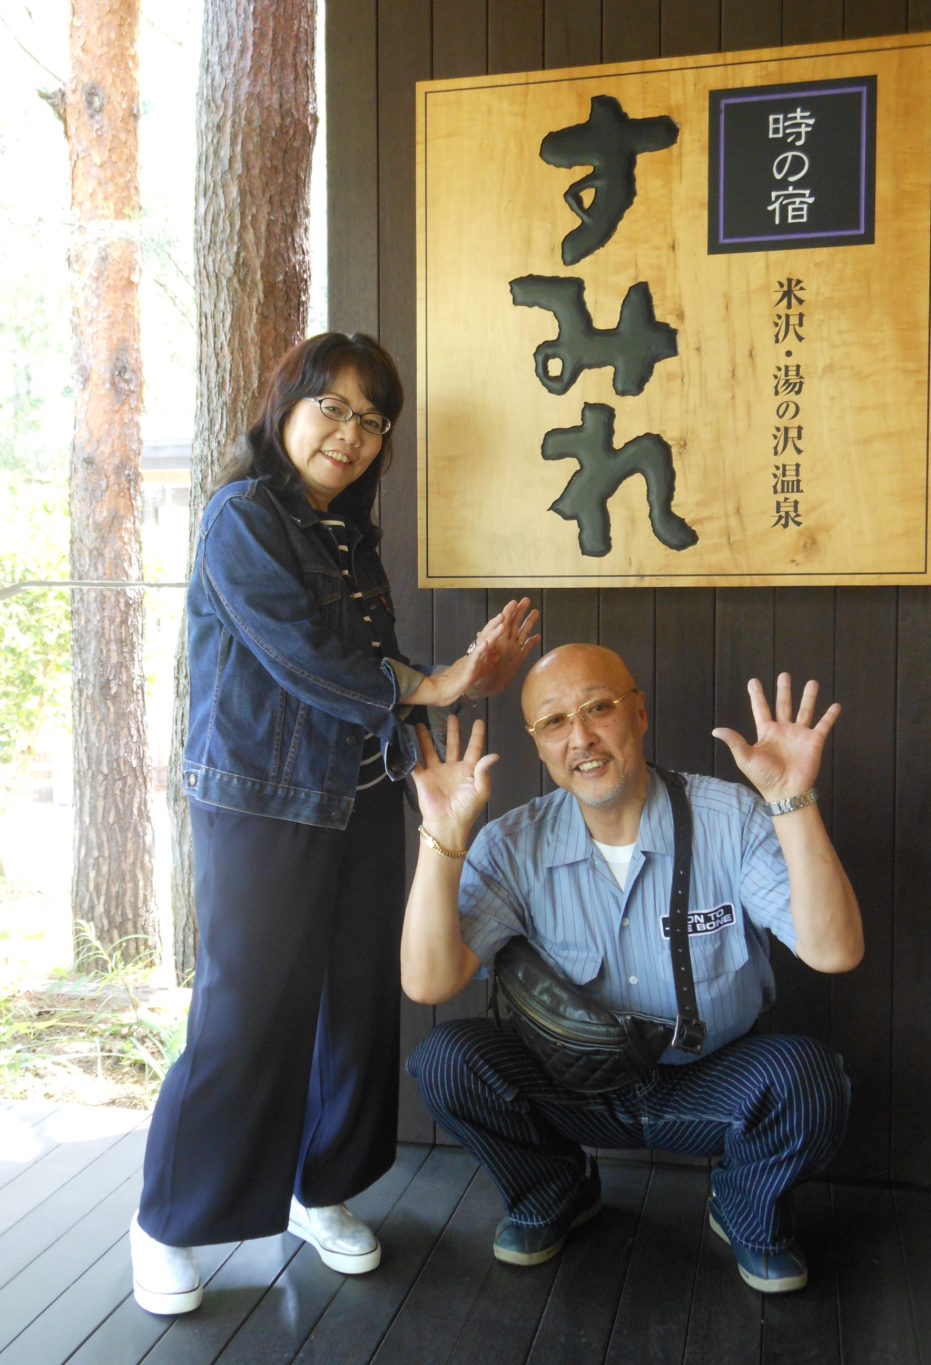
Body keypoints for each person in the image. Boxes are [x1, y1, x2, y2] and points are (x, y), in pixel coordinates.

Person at [129, 331, 540, 1316]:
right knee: (244, 1011)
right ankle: (167, 1220)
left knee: (355, 1003)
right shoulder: (240, 516)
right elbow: (305, 657)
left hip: (359, 794)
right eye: (333, 407)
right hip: (258, 803)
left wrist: (440, 705)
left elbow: (378, 669)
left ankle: (320, 1190)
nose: (351, 434)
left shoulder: (349, 535)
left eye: (373, 419)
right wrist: (441, 682)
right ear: (286, 408)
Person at [401, 643, 863, 1293]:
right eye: (555, 722)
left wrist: (794, 800)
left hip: (711, 1081)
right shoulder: (512, 844)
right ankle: (555, 1191)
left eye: (599, 708)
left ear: (639, 714)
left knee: (810, 1081)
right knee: (446, 1061)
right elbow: (427, 982)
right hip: (574, 1084)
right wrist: (443, 837)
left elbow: (835, 951)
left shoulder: (730, 818)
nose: (581, 737)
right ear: (537, 744)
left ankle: (744, 1204)